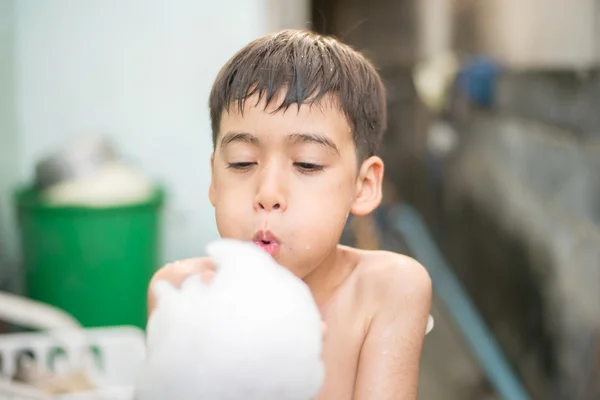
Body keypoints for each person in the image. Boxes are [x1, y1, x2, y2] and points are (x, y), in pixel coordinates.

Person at [148, 29, 433, 399]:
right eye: (242, 163)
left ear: (362, 186)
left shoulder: (387, 289)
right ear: (214, 178)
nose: (268, 194)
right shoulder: (181, 293)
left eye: (307, 164)